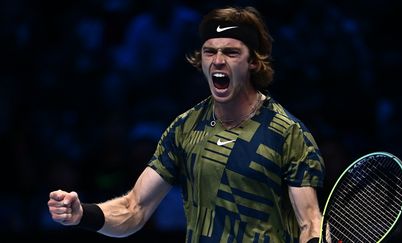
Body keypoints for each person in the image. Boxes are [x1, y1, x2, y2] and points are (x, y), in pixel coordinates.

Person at [48, 6, 326, 243]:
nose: (218, 61)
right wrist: (83, 214)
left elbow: (310, 223)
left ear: (253, 62)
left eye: (231, 52)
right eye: (209, 52)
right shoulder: (185, 127)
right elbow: (135, 208)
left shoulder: (287, 132)